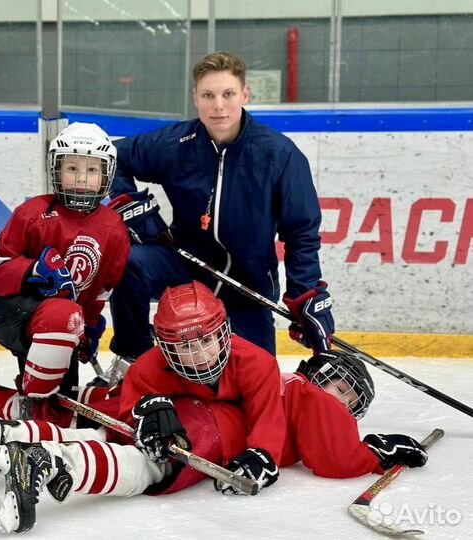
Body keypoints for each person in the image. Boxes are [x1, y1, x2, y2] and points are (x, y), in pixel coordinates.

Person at [0, 291, 428, 533]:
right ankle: (39, 458)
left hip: (209, 420)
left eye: (348, 393)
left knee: (98, 421)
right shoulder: (305, 394)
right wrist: (373, 456)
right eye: (336, 383)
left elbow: (269, 417)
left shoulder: (260, 369)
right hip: (208, 424)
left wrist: (260, 453)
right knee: (137, 448)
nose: (337, 395)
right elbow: (333, 454)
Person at [0, 280, 286, 532]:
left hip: (199, 415)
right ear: (163, 344)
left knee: (103, 426)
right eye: (183, 344)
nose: (197, 355)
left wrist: (262, 454)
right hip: (188, 413)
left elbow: (268, 418)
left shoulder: (257, 363)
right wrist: (144, 410)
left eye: (205, 339)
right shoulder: (151, 364)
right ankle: (2, 419)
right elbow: (127, 408)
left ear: (224, 330)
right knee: (112, 426)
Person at [102, 50, 334, 385]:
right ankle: (132, 357)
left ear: (245, 95)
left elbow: (301, 233)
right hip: (183, 267)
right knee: (128, 261)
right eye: (208, 96)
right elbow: (111, 156)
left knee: (256, 382)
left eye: (228, 94)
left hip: (247, 286)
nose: (219, 106)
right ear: (196, 98)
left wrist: (305, 293)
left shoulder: (279, 155)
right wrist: (129, 204)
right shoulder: (176, 144)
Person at [0, 121, 130, 423]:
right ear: (56, 171)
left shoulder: (114, 230)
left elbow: (101, 291)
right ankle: (31, 409)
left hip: (63, 322)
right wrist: (33, 269)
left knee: (60, 407)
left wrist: (91, 327)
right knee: (61, 318)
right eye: (72, 169)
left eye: (92, 170)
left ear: (107, 174)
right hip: (7, 308)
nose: (82, 179)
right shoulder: (33, 214)